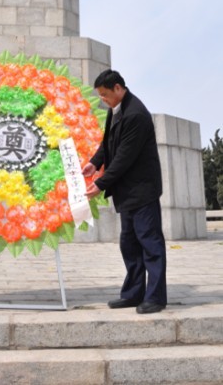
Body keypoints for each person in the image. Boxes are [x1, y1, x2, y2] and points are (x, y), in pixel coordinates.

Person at [83, 69, 167, 314]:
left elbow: (124, 157)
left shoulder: (136, 115)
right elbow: (108, 143)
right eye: (101, 96)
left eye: (106, 95)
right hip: (127, 193)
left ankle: (156, 297)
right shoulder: (116, 109)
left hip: (142, 191)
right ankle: (133, 294)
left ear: (118, 88)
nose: (104, 100)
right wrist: (95, 162)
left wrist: (100, 184)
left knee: (150, 244)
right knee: (129, 244)